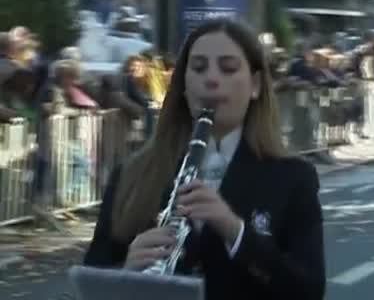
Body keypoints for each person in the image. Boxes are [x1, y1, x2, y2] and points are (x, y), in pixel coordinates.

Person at [82, 19, 326, 300]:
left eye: (228, 68)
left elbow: (309, 291)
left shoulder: (293, 178)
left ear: (256, 85)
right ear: (184, 86)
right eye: (198, 68)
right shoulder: (132, 172)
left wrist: (235, 231)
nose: (211, 79)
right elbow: (92, 282)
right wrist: (125, 273)